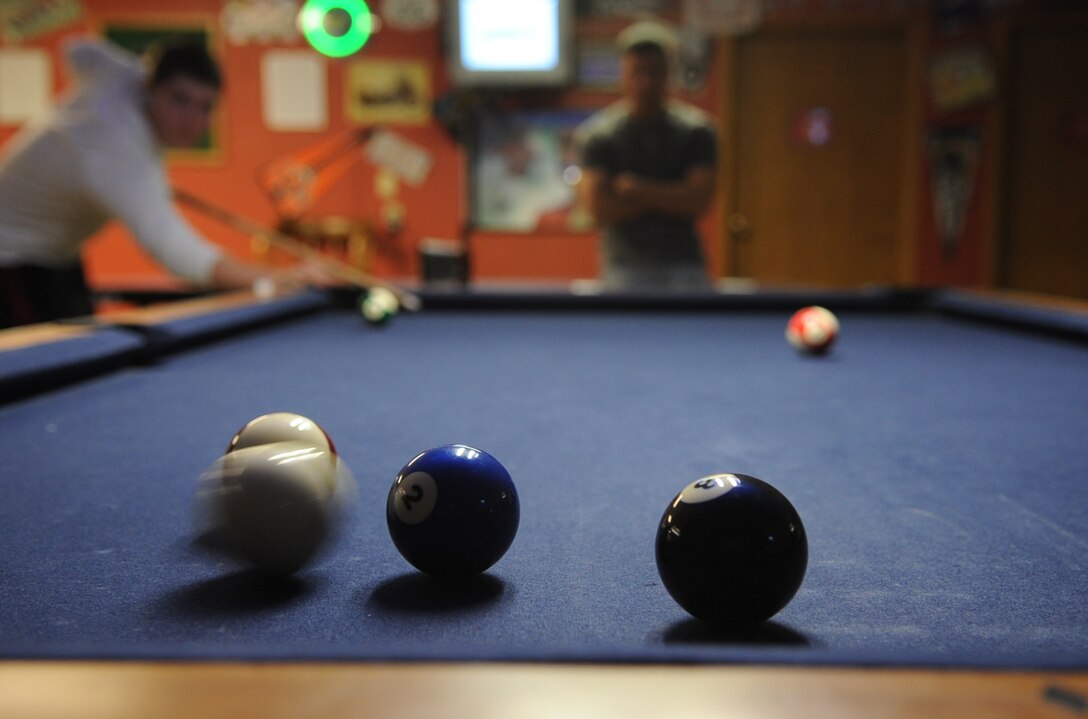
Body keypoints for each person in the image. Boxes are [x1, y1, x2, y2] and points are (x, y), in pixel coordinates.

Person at [0, 37, 329, 328]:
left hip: (58, 253)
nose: (193, 120)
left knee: (74, 345)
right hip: (11, 258)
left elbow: (79, 50)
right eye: (180, 100)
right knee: (41, 368)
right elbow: (183, 257)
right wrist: (284, 278)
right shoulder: (112, 148)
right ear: (150, 88)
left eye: (205, 106)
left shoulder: (126, 79)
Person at [575, 20, 718, 291]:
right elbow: (598, 208)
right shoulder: (598, 135)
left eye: (655, 71)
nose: (646, 82)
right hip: (623, 269)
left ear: (669, 73)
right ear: (623, 75)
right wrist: (674, 195)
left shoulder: (698, 131)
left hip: (686, 267)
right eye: (638, 72)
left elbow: (699, 201)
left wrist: (636, 190)